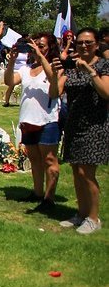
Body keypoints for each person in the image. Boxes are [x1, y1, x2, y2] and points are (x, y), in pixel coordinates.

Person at [45, 28, 108, 234]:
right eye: (80, 43)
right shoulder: (71, 66)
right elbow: (55, 92)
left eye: (88, 43)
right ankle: (80, 214)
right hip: (74, 124)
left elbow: (106, 92)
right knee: (75, 172)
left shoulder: (103, 65)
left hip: (95, 125)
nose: (83, 46)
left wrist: (90, 72)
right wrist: (56, 74)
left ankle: (93, 218)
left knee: (86, 173)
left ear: (97, 45)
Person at [4, 33, 61, 212]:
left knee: (49, 160)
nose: (36, 48)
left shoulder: (54, 67)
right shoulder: (26, 69)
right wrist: (12, 61)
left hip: (47, 120)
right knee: (34, 159)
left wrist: (42, 57)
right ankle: (37, 192)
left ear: (50, 48)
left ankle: (49, 197)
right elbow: (9, 81)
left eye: (41, 46)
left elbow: (54, 87)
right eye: (35, 45)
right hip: (28, 119)